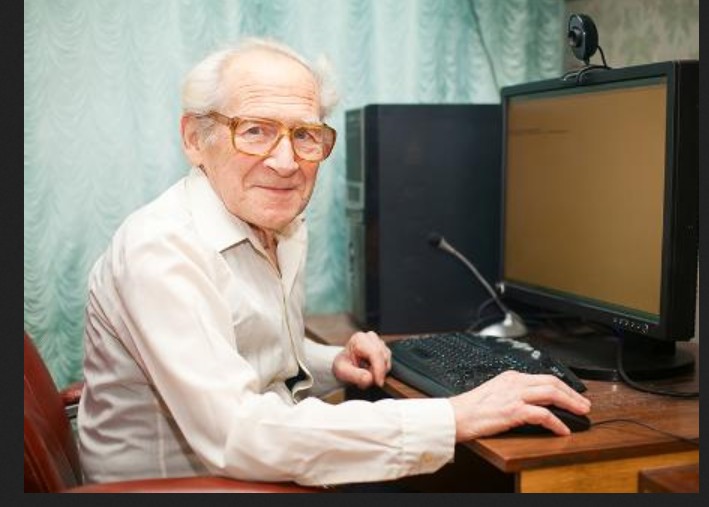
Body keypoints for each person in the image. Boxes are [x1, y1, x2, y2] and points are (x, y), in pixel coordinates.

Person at [77, 38, 591, 487]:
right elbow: (238, 435)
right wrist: (454, 416)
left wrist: (329, 363)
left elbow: (245, 349)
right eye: (255, 130)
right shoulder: (162, 250)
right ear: (195, 138)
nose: (286, 162)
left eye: (304, 135)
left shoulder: (275, 226)